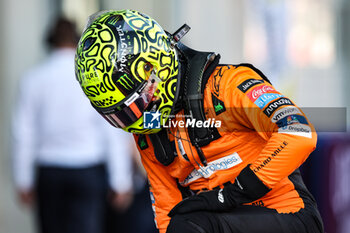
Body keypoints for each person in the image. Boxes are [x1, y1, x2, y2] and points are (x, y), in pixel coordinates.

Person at [74, 10, 324, 233]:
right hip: (220, 222)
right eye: (121, 116)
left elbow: (298, 131)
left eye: (136, 105)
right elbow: (166, 215)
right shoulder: (148, 138)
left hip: (289, 214)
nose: (136, 120)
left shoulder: (228, 85)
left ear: (156, 68)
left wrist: (235, 192)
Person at [12, 17, 134, 233]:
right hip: (88, 170)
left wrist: (23, 178)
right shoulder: (91, 77)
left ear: (49, 41)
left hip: (49, 171)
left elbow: (23, 133)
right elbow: (110, 128)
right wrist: (121, 179)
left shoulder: (33, 79)